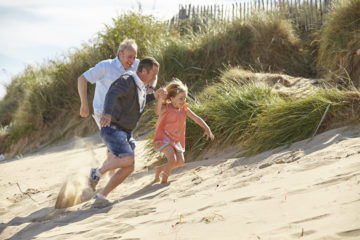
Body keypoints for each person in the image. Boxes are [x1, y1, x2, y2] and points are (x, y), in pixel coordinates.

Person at [89, 57, 163, 199]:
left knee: (129, 167)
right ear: (142, 71)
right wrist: (107, 113)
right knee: (128, 159)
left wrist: (154, 96)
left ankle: (101, 195)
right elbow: (112, 93)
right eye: (153, 74)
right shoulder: (128, 79)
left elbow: (138, 102)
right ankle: (97, 172)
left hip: (125, 132)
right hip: (113, 128)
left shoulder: (139, 86)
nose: (155, 77)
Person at [153, 79, 214, 184]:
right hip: (163, 138)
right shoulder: (166, 108)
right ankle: (164, 181)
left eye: (185, 98)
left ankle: (160, 169)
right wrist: (160, 100)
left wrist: (207, 128)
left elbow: (196, 118)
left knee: (180, 161)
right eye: (181, 98)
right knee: (172, 160)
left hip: (176, 140)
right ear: (171, 98)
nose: (183, 101)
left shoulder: (184, 109)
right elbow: (158, 111)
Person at [78, 38, 141, 128]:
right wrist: (84, 105)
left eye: (134, 57)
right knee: (115, 139)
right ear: (120, 54)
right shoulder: (106, 66)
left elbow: (152, 70)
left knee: (123, 140)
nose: (132, 61)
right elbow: (82, 79)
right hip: (103, 113)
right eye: (129, 57)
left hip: (123, 113)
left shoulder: (136, 65)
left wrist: (151, 87)